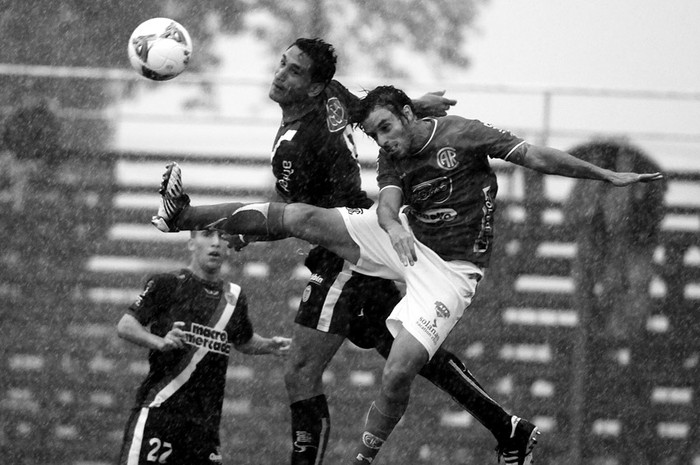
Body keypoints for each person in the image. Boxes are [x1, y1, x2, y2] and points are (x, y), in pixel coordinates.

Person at [151, 85, 663, 464]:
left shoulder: (463, 135)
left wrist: (606, 175)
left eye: (387, 128)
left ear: (408, 114)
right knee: (306, 218)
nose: (382, 141)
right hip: (404, 244)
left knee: (398, 371)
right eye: (374, 134)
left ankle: (373, 456)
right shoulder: (390, 156)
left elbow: (536, 157)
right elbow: (390, 203)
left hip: (450, 273)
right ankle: (184, 215)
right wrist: (393, 227)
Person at [152, 38, 539, 465]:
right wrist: (416, 103)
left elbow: (297, 218)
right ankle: (508, 428)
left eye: (294, 71)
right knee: (403, 353)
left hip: (345, 254)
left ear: (316, 87)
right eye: (282, 64)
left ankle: (182, 214)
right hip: (358, 230)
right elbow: (365, 108)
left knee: (302, 371)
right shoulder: (335, 97)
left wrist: (244, 232)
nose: (280, 74)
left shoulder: (293, 146)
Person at [116, 229, 292, 465]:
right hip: (160, 413)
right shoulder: (166, 283)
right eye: (207, 235)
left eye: (222, 237)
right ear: (191, 243)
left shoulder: (234, 296)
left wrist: (270, 345)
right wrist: (160, 342)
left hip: (204, 426)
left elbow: (243, 340)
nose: (216, 243)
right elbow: (126, 325)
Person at [564, 139, 666, 341]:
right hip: (600, 244)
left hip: (621, 245)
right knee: (595, 280)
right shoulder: (589, 183)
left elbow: (619, 219)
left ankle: (617, 329)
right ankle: (597, 327)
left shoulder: (632, 183)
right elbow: (573, 214)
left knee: (619, 282)